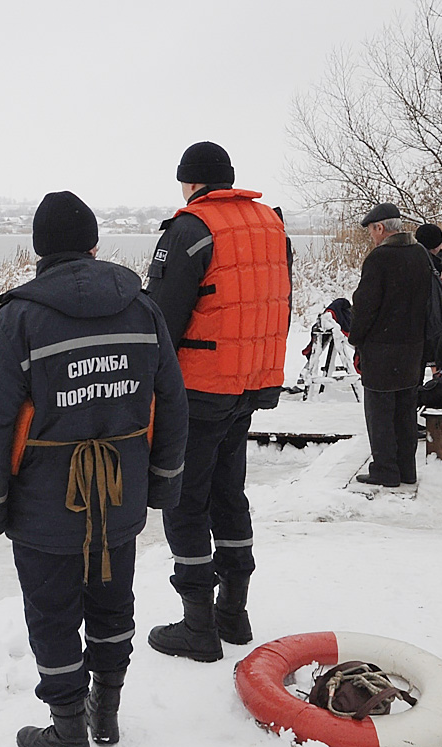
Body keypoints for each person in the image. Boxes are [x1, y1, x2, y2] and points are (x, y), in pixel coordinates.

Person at [0, 191, 188, 747]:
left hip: (45, 507)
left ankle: (68, 734)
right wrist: (162, 485)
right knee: (113, 601)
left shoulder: (15, 318)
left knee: (53, 614)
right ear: (93, 244)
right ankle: (104, 710)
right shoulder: (142, 309)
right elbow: (171, 402)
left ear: (40, 251)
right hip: (121, 494)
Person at [144, 141, 291, 663]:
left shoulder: (189, 229)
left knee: (185, 499)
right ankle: (234, 612)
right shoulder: (270, 224)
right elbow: (268, 298)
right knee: (230, 493)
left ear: (190, 182)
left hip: (201, 388)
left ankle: (197, 626)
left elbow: (159, 319)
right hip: (249, 383)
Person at [349, 204, 432, 487]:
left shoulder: (379, 259)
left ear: (380, 228)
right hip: (413, 347)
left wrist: (356, 338)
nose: (372, 237)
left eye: (372, 231)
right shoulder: (420, 253)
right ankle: (407, 469)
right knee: (406, 411)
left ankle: (385, 469)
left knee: (380, 412)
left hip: (382, 349)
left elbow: (365, 306)